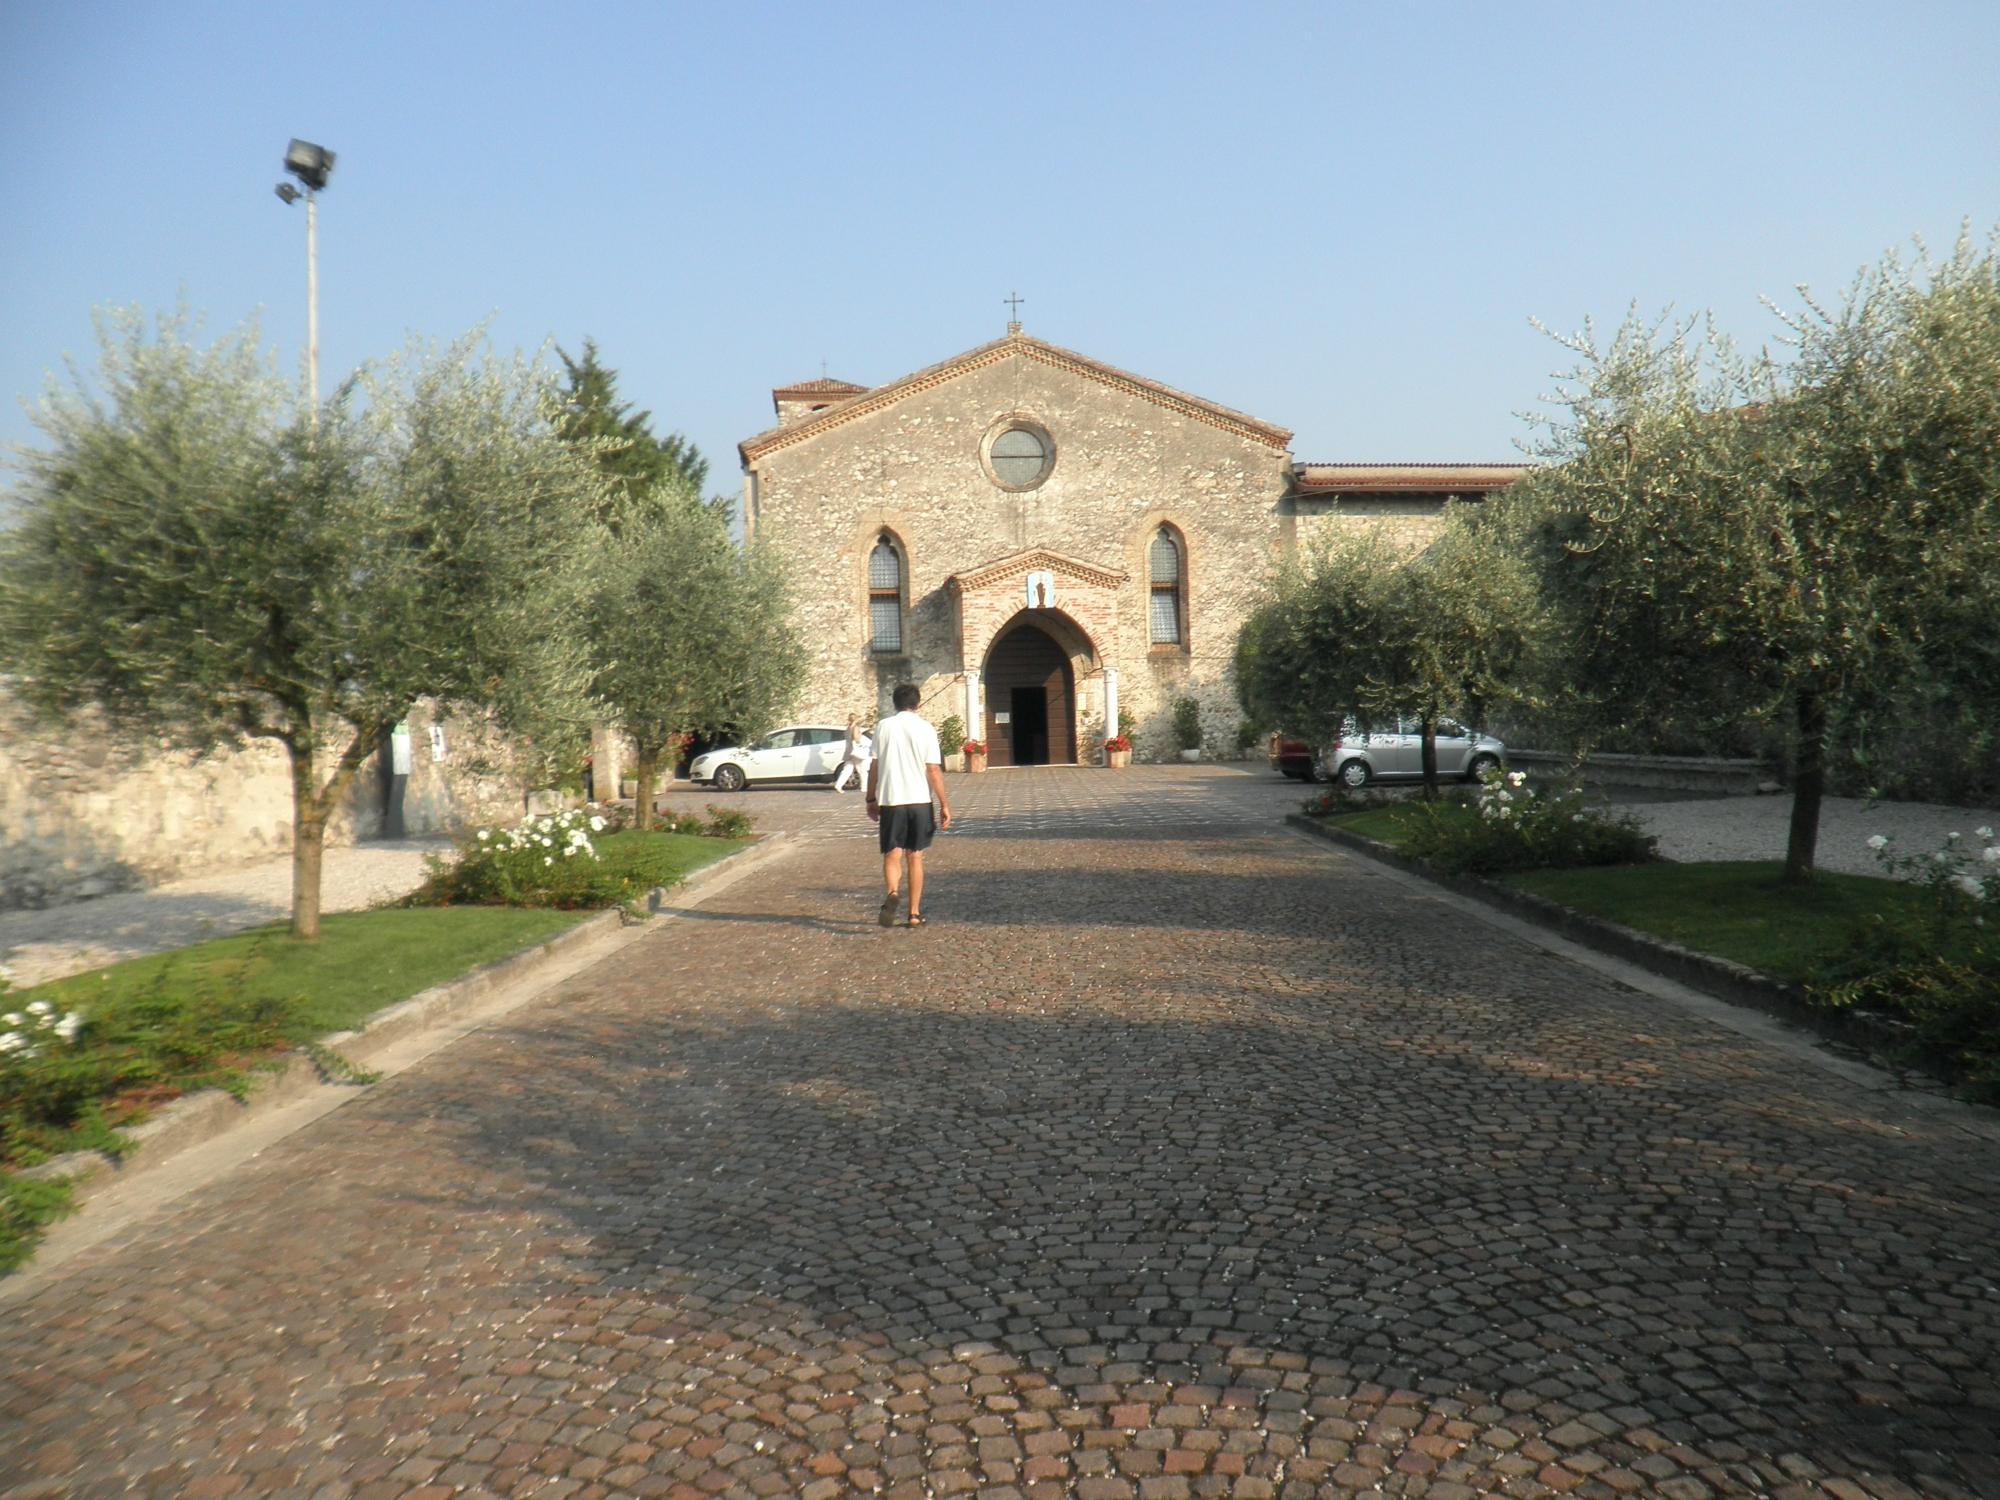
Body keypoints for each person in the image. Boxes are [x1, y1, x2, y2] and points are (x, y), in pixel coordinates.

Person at [865, 683, 952, 927]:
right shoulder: (926, 729)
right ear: (918, 703)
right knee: (916, 856)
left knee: (892, 853)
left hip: (892, 800)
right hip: (919, 801)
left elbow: (874, 766)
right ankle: (914, 914)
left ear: (894, 703)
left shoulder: (883, 727)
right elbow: (933, 769)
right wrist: (944, 803)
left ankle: (893, 893)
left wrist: (870, 798)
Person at [833, 714, 872, 793]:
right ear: (856, 719)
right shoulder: (855, 728)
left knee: (847, 770)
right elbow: (856, 739)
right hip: (857, 751)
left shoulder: (847, 728)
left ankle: (838, 785)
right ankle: (864, 787)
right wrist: (860, 736)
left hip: (849, 751)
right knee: (862, 770)